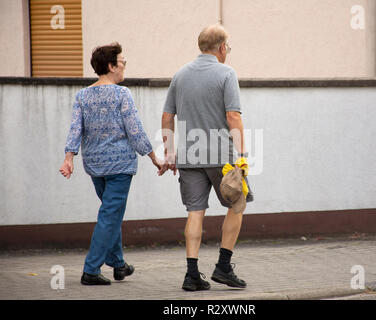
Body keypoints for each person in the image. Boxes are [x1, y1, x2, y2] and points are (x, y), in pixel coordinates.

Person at [59, 42, 164, 285]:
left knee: (111, 214)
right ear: (111, 65)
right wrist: (153, 157)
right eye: (122, 62)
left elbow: (76, 129)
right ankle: (91, 269)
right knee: (109, 215)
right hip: (119, 167)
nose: (124, 66)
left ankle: (118, 265)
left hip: (95, 166)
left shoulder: (82, 96)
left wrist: (69, 157)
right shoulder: (122, 94)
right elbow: (135, 130)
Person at [161, 24, 253, 291]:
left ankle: (192, 275)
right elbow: (233, 116)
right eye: (228, 47)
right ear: (222, 47)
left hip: (189, 156)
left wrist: (169, 152)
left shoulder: (180, 74)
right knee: (237, 204)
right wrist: (243, 154)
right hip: (221, 156)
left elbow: (168, 116)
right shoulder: (226, 73)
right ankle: (223, 267)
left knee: (195, 212)